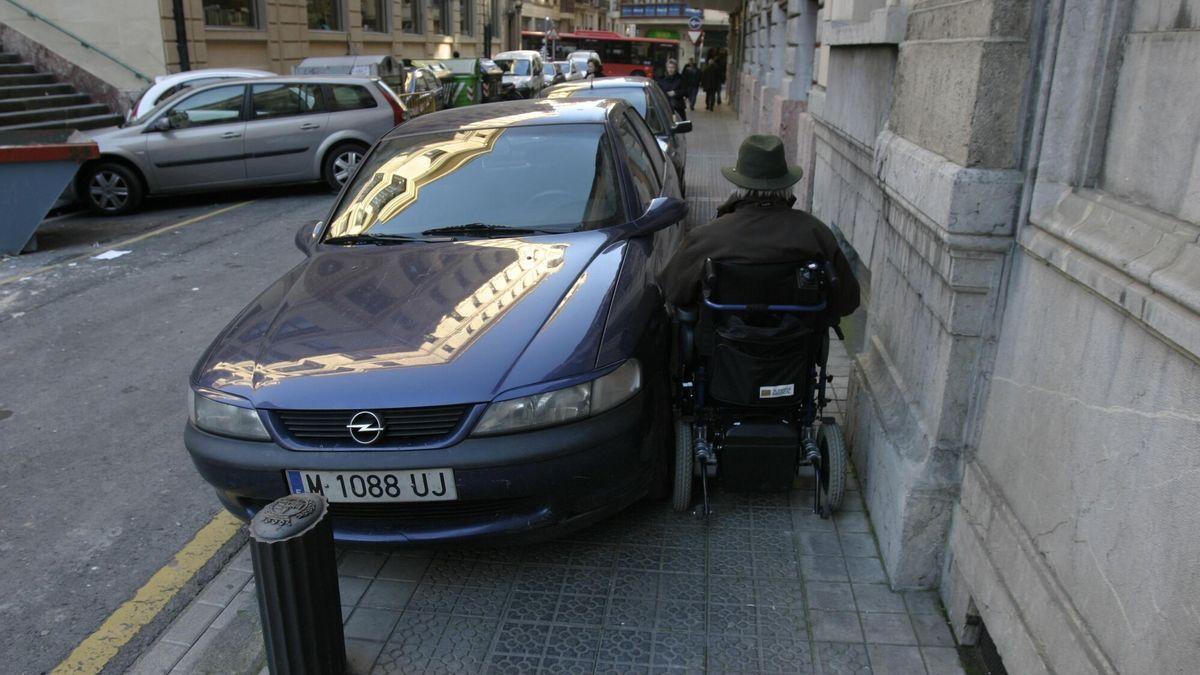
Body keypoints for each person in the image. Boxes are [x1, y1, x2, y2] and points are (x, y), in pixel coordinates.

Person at [659, 134, 860, 318]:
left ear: (739, 186)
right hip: (796, 351)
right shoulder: (816, 234)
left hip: (721, 350)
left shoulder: (706, 238)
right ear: (786, 186)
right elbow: (848, 302)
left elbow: (672, 291)